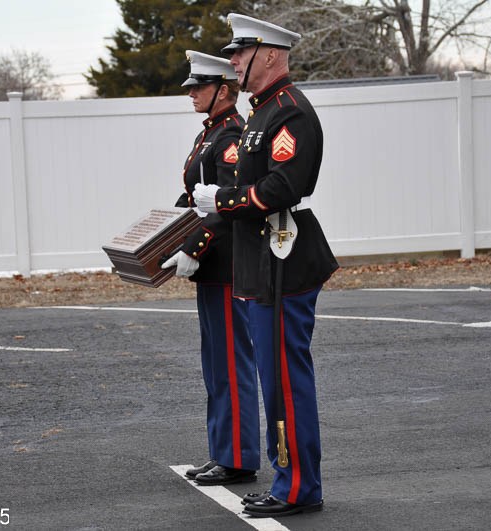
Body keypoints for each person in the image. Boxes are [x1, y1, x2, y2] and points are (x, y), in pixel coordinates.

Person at [193, 14, 338, 518]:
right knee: (274, 379)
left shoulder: (289, 111)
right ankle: (290, 480)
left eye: (241, 52)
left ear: (270, 55)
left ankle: (297, 486)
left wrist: (222, 200)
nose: (233, 61)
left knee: (285, 381)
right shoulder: (263, 112)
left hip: (284, 258)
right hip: (262, 259)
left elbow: (283, 186)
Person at [162, 51, 260, 486]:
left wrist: (194, 246)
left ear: (224, 90)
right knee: (216, 364)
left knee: (230, 364)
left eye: (199, 86)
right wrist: (163, 235)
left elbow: (227, 204)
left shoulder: (231, 135)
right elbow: (194, 199)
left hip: (226, 264)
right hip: (212, 267)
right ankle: (224, 451)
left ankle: (238, 458)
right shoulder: (211, 134)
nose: (191, 93)